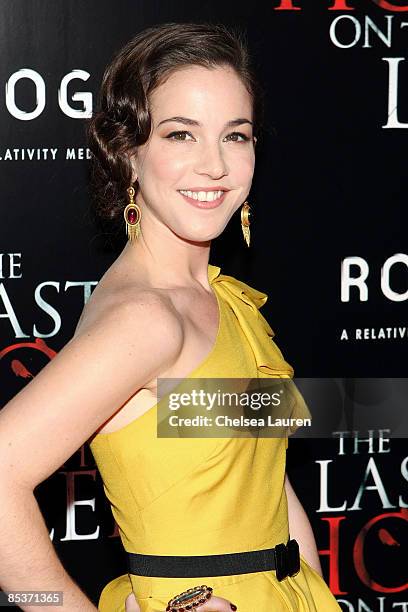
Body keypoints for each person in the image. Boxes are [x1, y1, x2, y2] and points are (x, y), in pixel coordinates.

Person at [0, 22, 341, 612]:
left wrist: (309, 585)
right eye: (182, 135)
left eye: (236, 136)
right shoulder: (146, 319)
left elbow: (263, 478)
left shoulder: (219, 294)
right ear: (128, 152)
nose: (216, 165)